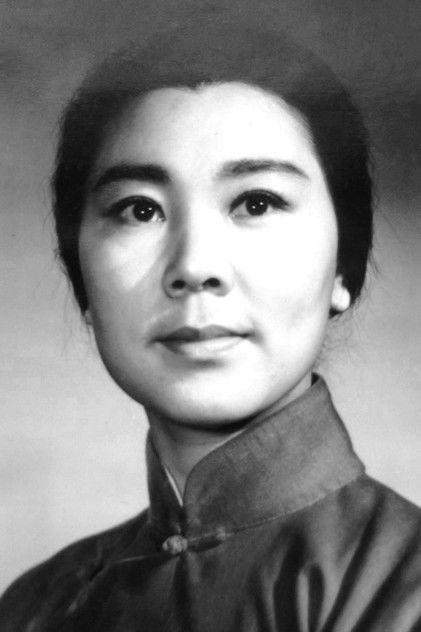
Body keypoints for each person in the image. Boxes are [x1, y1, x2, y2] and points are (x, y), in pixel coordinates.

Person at [0, 18, 420, 632]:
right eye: (139, 210)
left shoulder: (402, 590)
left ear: (342, 267)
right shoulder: (32, 609)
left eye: (256, 202)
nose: (195, 267)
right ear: (82, 279)